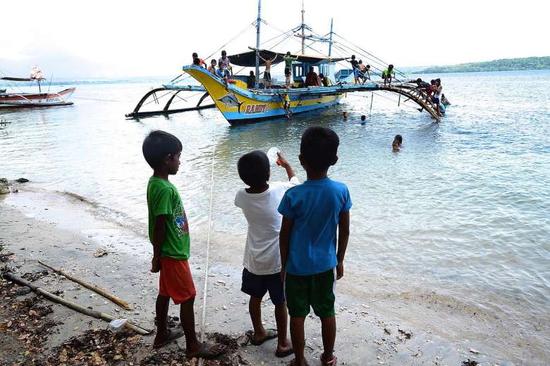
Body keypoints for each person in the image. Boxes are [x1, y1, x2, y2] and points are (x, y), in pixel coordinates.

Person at [142, 131, 225, 358]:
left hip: (169, 252)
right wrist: (156, 255)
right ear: (168, 159)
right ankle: (193, 345)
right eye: (178, 157)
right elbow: (159, 225)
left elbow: (161, 224)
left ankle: (161, 334)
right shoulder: (165, 189)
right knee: (188, 297)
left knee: (165, 292)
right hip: (173, 254)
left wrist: (158, 255)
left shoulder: (156, 183)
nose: (180, 161)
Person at [278, 126, 351, 366]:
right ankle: (328, 356)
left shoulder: (293, 196)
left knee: (297, 316)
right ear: (335, 159)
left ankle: (299, 360)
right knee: (327, 312)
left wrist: (283, 265)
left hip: (297, 268)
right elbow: (344, 231)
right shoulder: (340, 191)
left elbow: (284, 235)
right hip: (324, 266)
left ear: (301, 160)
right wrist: (339, 260)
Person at [234, 150, 297, 360]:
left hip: (253, 259)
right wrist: (287, 165)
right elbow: (295, 182)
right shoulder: (279, 190)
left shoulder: (241, 196)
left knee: (255, 297)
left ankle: (259, 332)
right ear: (269, 172)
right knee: (281, 302)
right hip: (277, 261)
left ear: (243, 177)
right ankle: (282, 343)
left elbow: (245, 198)